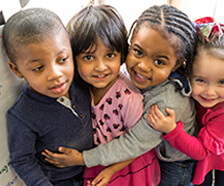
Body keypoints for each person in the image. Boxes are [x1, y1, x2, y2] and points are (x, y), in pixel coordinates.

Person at [42, 5, 197, 186]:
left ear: (177, 65)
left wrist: (82, 159)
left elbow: (134, 143)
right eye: (138, 52)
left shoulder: (164, 105)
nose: (143, 66)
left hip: (174, 161)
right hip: (140, 149)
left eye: (159, 61)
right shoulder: (115, 74)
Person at [57, 5, 161, 186]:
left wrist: (112, 170)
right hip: (99, 159)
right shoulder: (81, 86)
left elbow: (139, 144)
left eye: (110, 55)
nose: (101, 67)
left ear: (122, 55)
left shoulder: (128, 97)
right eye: (89, 57)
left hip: (128, 164)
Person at [147, 17, 224, 186]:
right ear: (188, 72)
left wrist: (172, 130)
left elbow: (202, 151)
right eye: (201, 81)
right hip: (203, 143)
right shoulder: (187, 85)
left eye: (223, 82)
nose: (210, 92)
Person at [3, 8, 93, 186]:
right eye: (38, 68)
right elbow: (22, 160)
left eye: (62, 59)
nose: (55, 74)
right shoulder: (22, 115)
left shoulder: (82, 80)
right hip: (59, 180)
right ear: (16, 70)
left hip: (94, 167)